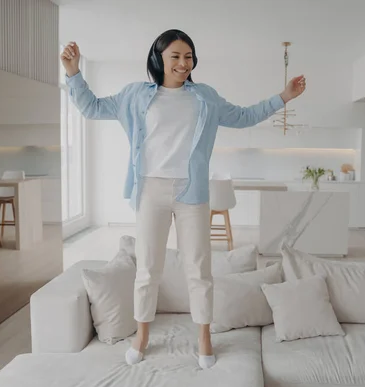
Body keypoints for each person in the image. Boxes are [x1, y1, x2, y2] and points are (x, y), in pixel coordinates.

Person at [60, 29, 306, 369]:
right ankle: (142, 335)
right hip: (150, 190)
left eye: (188, 57)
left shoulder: (205, 97)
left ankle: (204, 336)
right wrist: (73, 72)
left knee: (199, 269)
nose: (182, 63)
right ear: (159, 58)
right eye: (175, 56)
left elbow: (244, 115)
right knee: (147, 269)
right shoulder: (134, 95)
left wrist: (284, 96)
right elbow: (91, 108)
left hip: (192, 191)